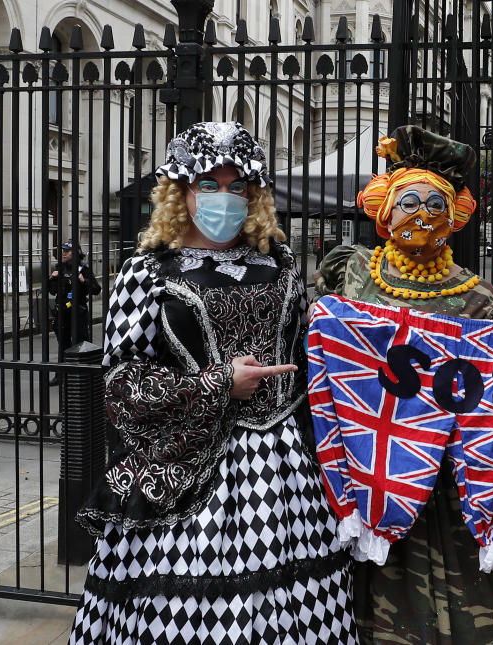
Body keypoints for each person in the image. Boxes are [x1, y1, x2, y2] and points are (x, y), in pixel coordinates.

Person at [68, 121, 357, 644]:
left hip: (289, 465)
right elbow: (123, 385)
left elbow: (312, 350)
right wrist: (219, 382)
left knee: (296, 608)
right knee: (189, 611)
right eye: (208, 185)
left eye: (236, 187)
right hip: (190, 463)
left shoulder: (280, 265)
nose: (224, 198)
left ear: (254, 196)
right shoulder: (145, 273)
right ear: (181, 193)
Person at [310, 125, 493, 645]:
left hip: (455, 479)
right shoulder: (351, 275)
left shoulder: (477, 296)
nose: (422, 215)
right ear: (384, 212)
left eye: (435, 205)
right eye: (409, 202)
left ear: (453, 218)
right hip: (373, 470)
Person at [48, 239, 101, 383]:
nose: (64, 253)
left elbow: (96, 290)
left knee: (80, 343)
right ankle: (61, 374)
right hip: (62, 311)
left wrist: (84, 281)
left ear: (76, 253)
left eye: (67, 251)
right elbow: (52, 292)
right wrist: (51, 279)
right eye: (63, 251)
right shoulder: (59, 267)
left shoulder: (83, 269)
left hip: (78, 311)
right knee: (63, 344)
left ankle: (82, 375)